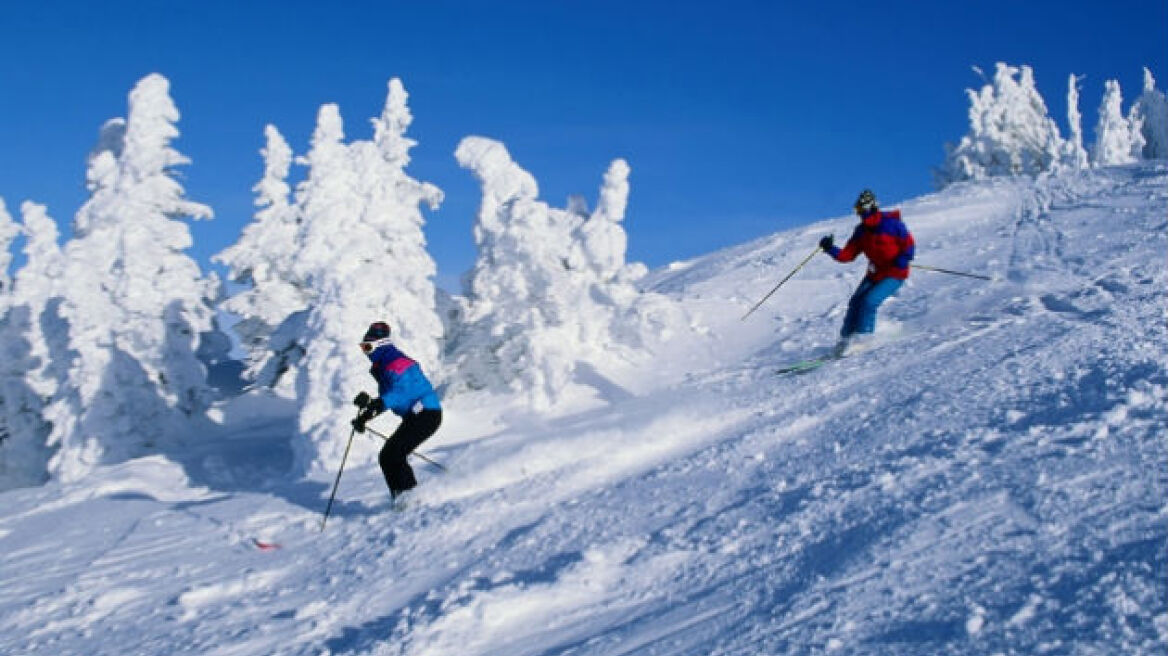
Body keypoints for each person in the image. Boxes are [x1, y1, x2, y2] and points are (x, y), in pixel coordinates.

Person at [352, 321, 443, 501]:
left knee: (393, 454)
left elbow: (400, 393)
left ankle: (410, 499)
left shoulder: (396, 362)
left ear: (380, 345)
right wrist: (365, 416)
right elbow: (390, 399)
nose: (365, 351)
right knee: (387, 456)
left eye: (367, 346)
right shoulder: (385, 366)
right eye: (363, 347)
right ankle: (402, 499)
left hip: (426, 414)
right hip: (415, 416)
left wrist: (373, 404)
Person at [819, 189, 915, 352]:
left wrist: (901, 261)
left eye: (860, 210)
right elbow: (847, 255)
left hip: (895, 273)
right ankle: (845, 340)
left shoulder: (892, 225)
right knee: (855, 302)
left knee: (869, 302)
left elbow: (909, 246)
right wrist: (830, 248)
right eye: (857, 211)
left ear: (870, 208)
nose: (859, 215)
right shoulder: (861, 231)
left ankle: (864, 338)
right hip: (875, 273)